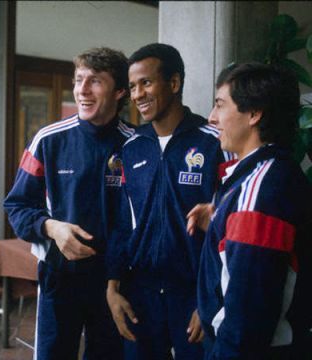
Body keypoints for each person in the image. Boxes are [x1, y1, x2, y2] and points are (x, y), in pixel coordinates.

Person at [3, 47, 134, 360]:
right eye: (78, 81)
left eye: (95, 82)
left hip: (116, 284)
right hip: (60, 279)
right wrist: (51, 228)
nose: (82, 90)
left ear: (119, 92)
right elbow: (17, 206)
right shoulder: (48, 140)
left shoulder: (137, 144)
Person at [105, 43, 234, 360]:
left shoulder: (214, 141)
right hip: (140, 296)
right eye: (133, 86)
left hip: (193, 296)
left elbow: (232, 226)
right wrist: (112, 287)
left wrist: (210, 299)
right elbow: (124, 222)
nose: (137, 95)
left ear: (174, 83)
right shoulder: (133, 148)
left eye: (146, 83)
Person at [188, 63, 312, 359]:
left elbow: (247, 316)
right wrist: (221, 217)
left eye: (220, 105)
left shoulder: (259, 191)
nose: (212, 117)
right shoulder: (267, 176)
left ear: (255, 113)